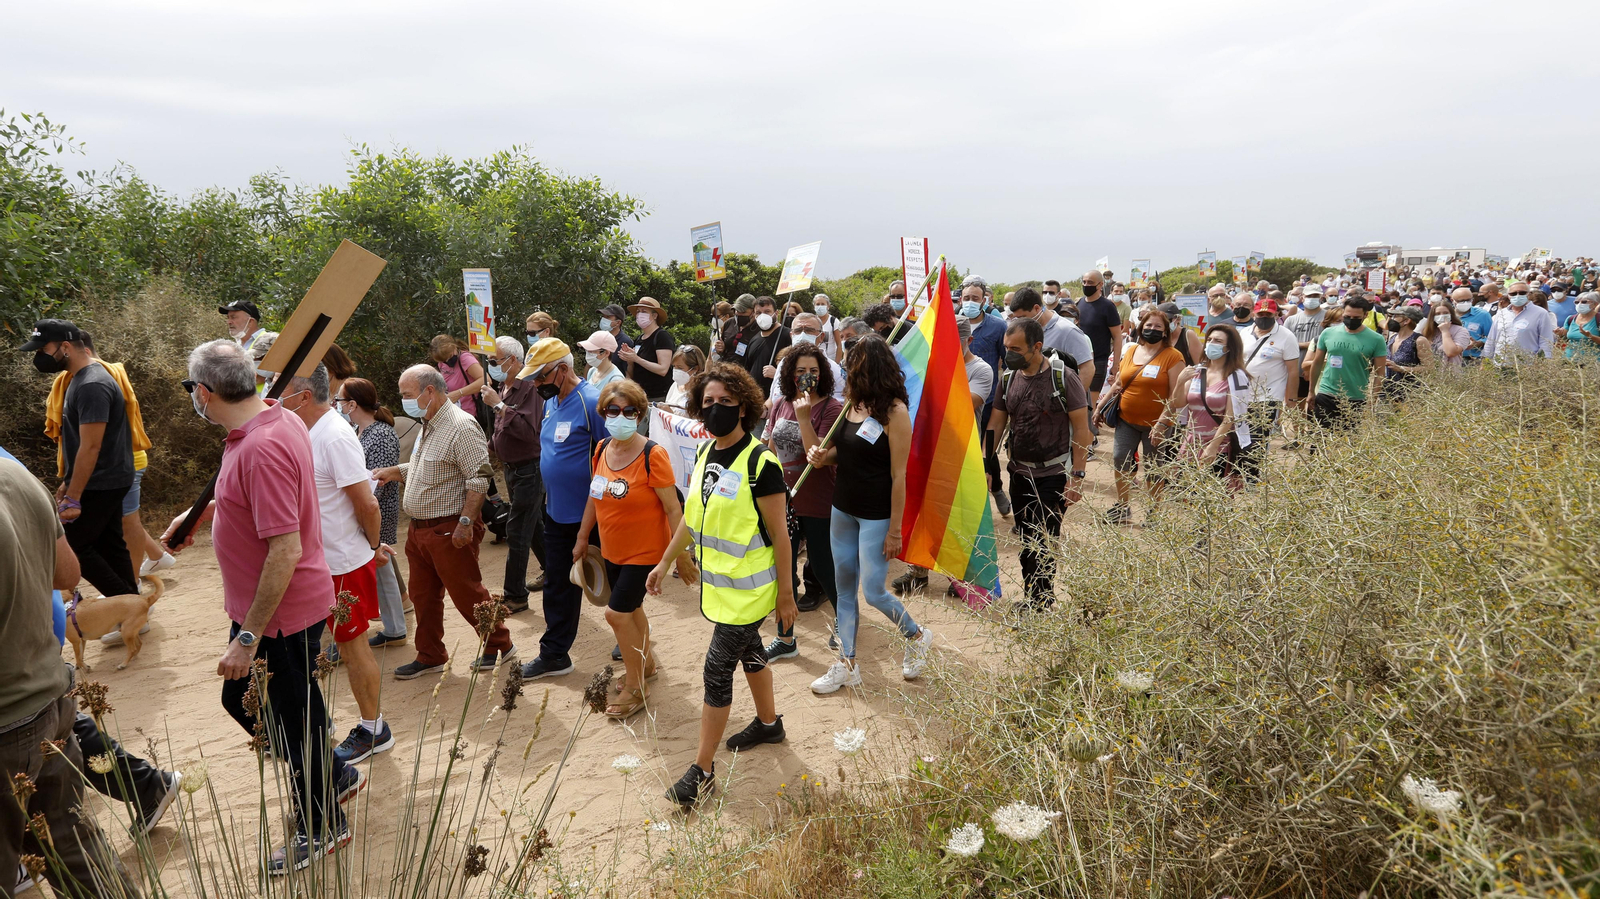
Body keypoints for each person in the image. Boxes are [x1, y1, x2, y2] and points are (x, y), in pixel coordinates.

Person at [163, 339, 360, 872]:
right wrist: (205, 513)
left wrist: (247, 638)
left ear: (205, 391)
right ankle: (335, 773)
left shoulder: (262, 446)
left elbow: (285, 549)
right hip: (271, 610)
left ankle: (323, 822)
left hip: (277, 616)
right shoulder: (272, 418)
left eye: (190, 390)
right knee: (273, 705)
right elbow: (257, 498)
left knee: (283, 718)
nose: (192, 398)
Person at [645, 363, 794, 807]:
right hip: (722, 589)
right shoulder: (707, 452)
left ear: (744, 407)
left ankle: (702, 770)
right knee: (751, 652)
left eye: (726, 402)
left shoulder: (761, 463)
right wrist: (666, 560)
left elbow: (782, 536)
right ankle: (769, 724)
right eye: (708, 401)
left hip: (752, 593)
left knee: (716, 670)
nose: (715, 409)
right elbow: (693, 517)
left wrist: (786, 596)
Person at [1, 453, 143, 898]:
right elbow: (67, 572)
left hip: (5, 724)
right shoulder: (16, 474)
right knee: (76, 848)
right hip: (49, 699)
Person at [803, 336, 932, 694]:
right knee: (844, 590)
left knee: (873, 592)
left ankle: (917, 636)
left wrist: (895, 530)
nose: (844, 369)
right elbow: (843, 454)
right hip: (842, 509)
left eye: (850, 364)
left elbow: (899, 475)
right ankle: (847, 664)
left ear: (866, 368)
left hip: (876, 516)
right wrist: (822, 457)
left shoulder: (895, 412)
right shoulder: (851, 404)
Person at [373, 365, 514, 679]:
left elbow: (479, 479)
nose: (403, 400)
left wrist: (465, 523)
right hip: (420, 530)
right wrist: (395, 472)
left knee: (467, 593)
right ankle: (430, 655)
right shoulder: (429, 422)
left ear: (429, 391)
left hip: (449, 527)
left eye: (407, 394)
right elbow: (428, 469)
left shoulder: (461, 426)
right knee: (422, 596)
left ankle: (499, 644)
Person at [281, 365, 393, 764]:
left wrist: (372, 547)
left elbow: (368, 504)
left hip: (342, 563)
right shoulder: (307, 431)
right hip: (318, 561)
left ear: (303, 396)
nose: (275, 397)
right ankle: (316, 724)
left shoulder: (334, 436)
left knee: (352, 647)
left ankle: (374, 729)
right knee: (308, 648)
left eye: (282, 389)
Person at [574, 380, 685, 718]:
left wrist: (680, 557)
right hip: (612, 549)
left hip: (646, 552)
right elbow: (595, 495)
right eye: (613, 410)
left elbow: (674, 509)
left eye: (629, 411)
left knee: (616, 614)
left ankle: (637, 687)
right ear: (603, 412)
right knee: (633, 609)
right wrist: (582, 536)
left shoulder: (653, 454)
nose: (620, 416)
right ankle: (646, 665)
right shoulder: (602, 448)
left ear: (639, 414)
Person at [22, 319, 139, 600]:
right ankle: (132, 608)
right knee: (110, 545)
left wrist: (73, 497)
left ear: (65, 346)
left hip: (101, 480)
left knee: (73, 545)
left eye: (43, 349)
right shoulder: (80, 379)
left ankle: (126, 605)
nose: (39, 356)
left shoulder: (92, 385)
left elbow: (91, 446)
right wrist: (67, 482)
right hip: (105, 477)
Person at [519, 339, 607, 680]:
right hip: (556, 513)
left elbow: (612, 459)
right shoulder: (551, 402)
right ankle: (554, 654)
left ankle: (635, 639)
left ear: (564, 369)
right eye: (533, 379)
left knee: (615, 580)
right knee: (558, 584)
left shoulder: (592, 403)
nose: (536, 384)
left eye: (541, 377)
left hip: (594, 516)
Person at [892, 316, 994, 595]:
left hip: (959, 456)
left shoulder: (980, 369)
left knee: (958, 515)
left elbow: (964, 403)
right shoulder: (926, 366)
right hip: (925, 449)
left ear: (969, 341)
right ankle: (918, 571)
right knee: (923, 510)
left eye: (952, 342)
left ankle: (960, 576)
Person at [990, 317, 1091, 599]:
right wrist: (986, 463)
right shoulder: (1008, 379)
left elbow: (1081, 430)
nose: (1009, 354)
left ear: (1037, 346)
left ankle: (1040, 602)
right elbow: (995, 424)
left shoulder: (1064, 378)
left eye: (1016, 349)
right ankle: (1032, 597)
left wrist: (1077, 477)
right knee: (1026, 540)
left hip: (1053, 475)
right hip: (1019, 473)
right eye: (1006, 347)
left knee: (1042, 540)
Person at [761, 341, 843, 659]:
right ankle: (785, 638)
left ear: (823, 374)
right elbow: (770, 449)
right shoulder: (781, 403)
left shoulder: (832, 408)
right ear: (789, 374)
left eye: (813, 370)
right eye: (800, 370)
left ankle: (844, 619)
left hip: (818, 501)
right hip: (784, 501)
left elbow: (818, 459)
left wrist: (805, 418)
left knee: (823, 567)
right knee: (782, 569)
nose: (807, 376)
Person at [1096, 307, 1185, 522]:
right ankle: (1122, 507)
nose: (1152, 329)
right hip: (1127, 420)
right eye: (1148, 325)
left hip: (1157, 425)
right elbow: (1119, 382)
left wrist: (1162, 424)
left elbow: (1176, 395)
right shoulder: (1132, 351)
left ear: (1165, 331)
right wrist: (1100, 407)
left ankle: (1154, 512)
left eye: (1158, 326)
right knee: (1120, 459)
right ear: (1140, 327)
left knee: (1154, 467)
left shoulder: (1173, 357)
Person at [338, 378, 409, 649]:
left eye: (340, 400)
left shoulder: (380, 434)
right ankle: (394, 627)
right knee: (381, 567)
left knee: (382, 566)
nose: (337, 405)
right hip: (366, 510)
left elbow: (379, 482)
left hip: (378, 510)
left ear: (352, 404)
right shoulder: (358, 430)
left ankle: (395, 629)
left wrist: (359, 508)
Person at [481, 336, 547, 613]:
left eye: (494, 360)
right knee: (533, 526)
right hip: (511, 468)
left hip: (530, 469)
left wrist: (498, 405)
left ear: (513, 360)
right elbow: (501, 429)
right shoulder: (502, 386)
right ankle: (556, 570)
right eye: (489, 360)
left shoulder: (530, 387)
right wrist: (487, 448)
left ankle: (515, 595)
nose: (491, 365)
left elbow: (529, 432)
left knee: (517, 530)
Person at [1177, 326, 1253, 487]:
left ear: (1229, 347)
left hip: (1219, 446)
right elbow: (1178, 403)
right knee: (1188, 493)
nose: (1211, 344)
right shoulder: (1197, 371)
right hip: (1191, 443)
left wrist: (1213, 447)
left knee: (1214, 494)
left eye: (1218, 341)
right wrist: (1179, 382)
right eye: (1209, 340)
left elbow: (1230, 417)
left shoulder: (1236, 377)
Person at [1237, 297, 1301, 481]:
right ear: (1253, 314)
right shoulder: (1243, 333)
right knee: (1239, 436)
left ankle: (1251, 478)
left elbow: (1292, 371)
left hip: (1268, 397)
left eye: (1268, 315)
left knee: (1257, 438)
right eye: (1260, 314)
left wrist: (1291, 399)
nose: (1264, 318)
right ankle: (1238, 474)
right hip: (1241, 395)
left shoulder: (1287, 337)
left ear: (1277, 314)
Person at [962, 278, 1010, 517]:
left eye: (975, 298)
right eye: (966, 298)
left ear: (984, 300)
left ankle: (997, 489)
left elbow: (1008, 361)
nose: (970, 302)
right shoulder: (952, 323)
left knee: (987, 449)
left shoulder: (997, 326)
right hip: (959, 401)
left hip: (989, 400)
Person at [1304, 296, 1388, 431]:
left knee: (1348, 440)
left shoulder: (1376, 339)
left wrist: (1372, 401)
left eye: (1356, 317)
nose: (1351, 320)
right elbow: (1317, 362)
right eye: (1348, 316)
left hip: (1356, 398)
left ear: (1365, 315)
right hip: (1326, 394)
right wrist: (1311, 391)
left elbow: (1380, 373)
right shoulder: (1328, 333)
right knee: (1320, 438)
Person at [1009, 287, 1094, 384]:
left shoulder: (1067, 331)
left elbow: (1087, 368)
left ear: (1036, 308)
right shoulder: (1025, 330)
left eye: (1023, 317)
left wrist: (1075, 393)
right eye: (1017, 319)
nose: (1020, 322)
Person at [766, 314, 846, 404]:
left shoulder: (833, 369)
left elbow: (838, 405)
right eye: (798, 331)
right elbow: (773, 397)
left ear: (821, 337)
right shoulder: (784, 362)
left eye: (809, 330)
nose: (803, 334)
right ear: (791, 335)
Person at [1076, 270, 1125, 405]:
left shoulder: (1107, 306)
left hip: (1097, 362)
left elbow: (1117, 337)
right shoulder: (1079, 303)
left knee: (1089, 405)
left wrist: (1116, 365)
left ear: (1100, 285)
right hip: (1078, 361)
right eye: (1084, 282)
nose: (1086, 285)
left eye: (1090, 282)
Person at [618, 297, 675, 405]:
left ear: (654, 316)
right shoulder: (639, 339)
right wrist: (630, 360)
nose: (640, 314)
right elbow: (632, 372)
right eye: (638, 311)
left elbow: (663, 369)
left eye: (644, 311)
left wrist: (637, 359)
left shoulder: (662, 336)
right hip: (640, 396)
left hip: (658, 397)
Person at [1482, 281, 1555, 364]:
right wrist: (1485, 361)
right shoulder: (1501, 313)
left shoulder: (1541, 313)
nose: (1517, 296)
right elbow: (1491, 339)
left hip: (1528, 365)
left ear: (1528, 294)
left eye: (1522, 293)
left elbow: (1546, 341)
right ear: (1508, 295)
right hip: (1501, 364)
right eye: (1513, 294)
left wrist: (1543, 363)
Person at [429, 334, 487, 419]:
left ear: (454, 347)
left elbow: (486, 380)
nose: (447, 361)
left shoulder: (465, 358)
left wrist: (459, 393)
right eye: (444, 360)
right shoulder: (442, 364)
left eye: (449, 357)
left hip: (469, 413)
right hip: (452, 413)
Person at [744, 296, 792, 397]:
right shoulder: (754, 340)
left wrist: (778, 374)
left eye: (767, 312)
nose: (763, 316)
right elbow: (748, 368)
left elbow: (797, 369)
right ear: (754, 315)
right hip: (755, 398)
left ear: (776, 313)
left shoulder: (788, 336)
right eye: (758, 313)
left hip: (778, 398)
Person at [1383, 305, 1434, 397]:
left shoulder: (1419, 340)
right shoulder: (1393, 337)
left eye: (1396, 316)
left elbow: (1429, 368)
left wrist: (1401, 369)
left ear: (1406, 321)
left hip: (1409, 392)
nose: (1392, 320)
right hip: (1388, 389)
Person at [1422, 300, 1471, 369]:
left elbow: (1451, 352)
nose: (1442, 316)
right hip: (1431, 372)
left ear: (1451, 314)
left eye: (1445, 313)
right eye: (1438, 314)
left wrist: (1445, 331)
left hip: (1450, 372)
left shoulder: (1460, 330)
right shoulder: (1428, 330)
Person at [664, 344, 706, 411]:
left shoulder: (701, 391)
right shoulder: (675, 385)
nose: (675, 370)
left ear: (695, 369)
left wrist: (671, 414)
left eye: (680, 368)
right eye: (674, 366)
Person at [1562, 291, 1600, 362]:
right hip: (1569, 361)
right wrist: (1559, 333)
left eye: (1584, 302)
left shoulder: (1598, 319)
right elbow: (1564, 336)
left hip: (1591, 362)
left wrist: (1591, 336)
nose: (1579, 304)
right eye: (1577, 302)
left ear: (1595, 304)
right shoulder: (1570, 318)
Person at [811, 293, 840, 358]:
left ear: (828, 306)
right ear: (814, 306)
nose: (820, 306)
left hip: (830, 359)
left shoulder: (834, 321)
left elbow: (839, 344)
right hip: (815, 358)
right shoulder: (812, 321)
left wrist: (837, 362)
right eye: (818, 304)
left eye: (823, 304)